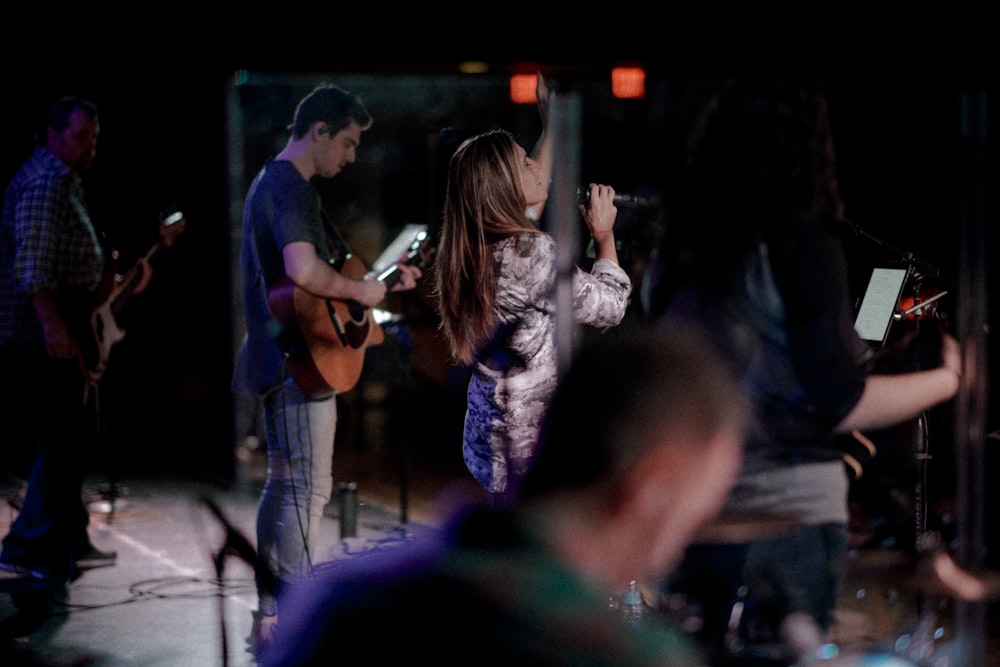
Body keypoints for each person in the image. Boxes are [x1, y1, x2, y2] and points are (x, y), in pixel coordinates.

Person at [644, 76, 963, 664]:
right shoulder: (799, 244)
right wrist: (952, 378)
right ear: (807, 145)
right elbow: (841, 403)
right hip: (785, 511)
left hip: (692, 507)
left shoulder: (676, 252)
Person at [256, 323, 749, 666]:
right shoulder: (616, 653)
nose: (671, 557)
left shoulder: (336, 600)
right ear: (651, 488)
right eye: (688, 521)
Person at [231, 82, 423, 654]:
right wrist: (361, 289)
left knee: (287, 484)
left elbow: (323, 288)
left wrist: (374, 289)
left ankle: (274, 608)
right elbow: (307, 273)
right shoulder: (290, 188)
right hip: (297, 364)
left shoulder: (274, 184)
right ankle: (295, 619)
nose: (352, 156)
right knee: (306, 490)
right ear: (318, 132)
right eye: (347, 142)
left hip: (285, 357)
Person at [434, 74, 633, 507]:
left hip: (491, 438)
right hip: (531, 446)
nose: (536, 167)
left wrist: (551, 124)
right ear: (505, 185)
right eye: (525, 163)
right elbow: (610, 307)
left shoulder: (475, 245)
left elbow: (527, 205)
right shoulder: (530, 253)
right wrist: (603, 235)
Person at [0, 96, 152, 582]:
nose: (90, 147)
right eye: (80, 137)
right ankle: (29, 544)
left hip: (65, 325)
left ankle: (67, 537)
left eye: (95, 137)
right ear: (52, 134)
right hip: (43, 332)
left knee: (76, 433)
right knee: (63, 436)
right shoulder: (46, 183)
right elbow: (32, 263)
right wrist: (52, 325)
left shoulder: (64, 182)